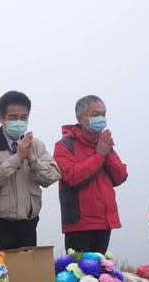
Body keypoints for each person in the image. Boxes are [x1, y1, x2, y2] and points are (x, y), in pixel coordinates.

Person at [0, 91, 61, 260]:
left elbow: (52, 176)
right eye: (13, 117)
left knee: (24, 280)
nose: (18, 122)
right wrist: (18, 156)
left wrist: (33, 159)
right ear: (1, 118)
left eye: (23, 117)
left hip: (27, 225)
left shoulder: (36, 145)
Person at [53, 95, 128, 254]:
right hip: (79, 224)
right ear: (80, 118)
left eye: (103, 114)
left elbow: (121, 176)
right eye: (95, 114)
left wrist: (106, 154)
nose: (101, 118)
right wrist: (99, 156)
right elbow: (72, 177)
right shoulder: (64, 146)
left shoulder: (103, 143)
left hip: (105, 221)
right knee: (79, 275)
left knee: (100, 274)